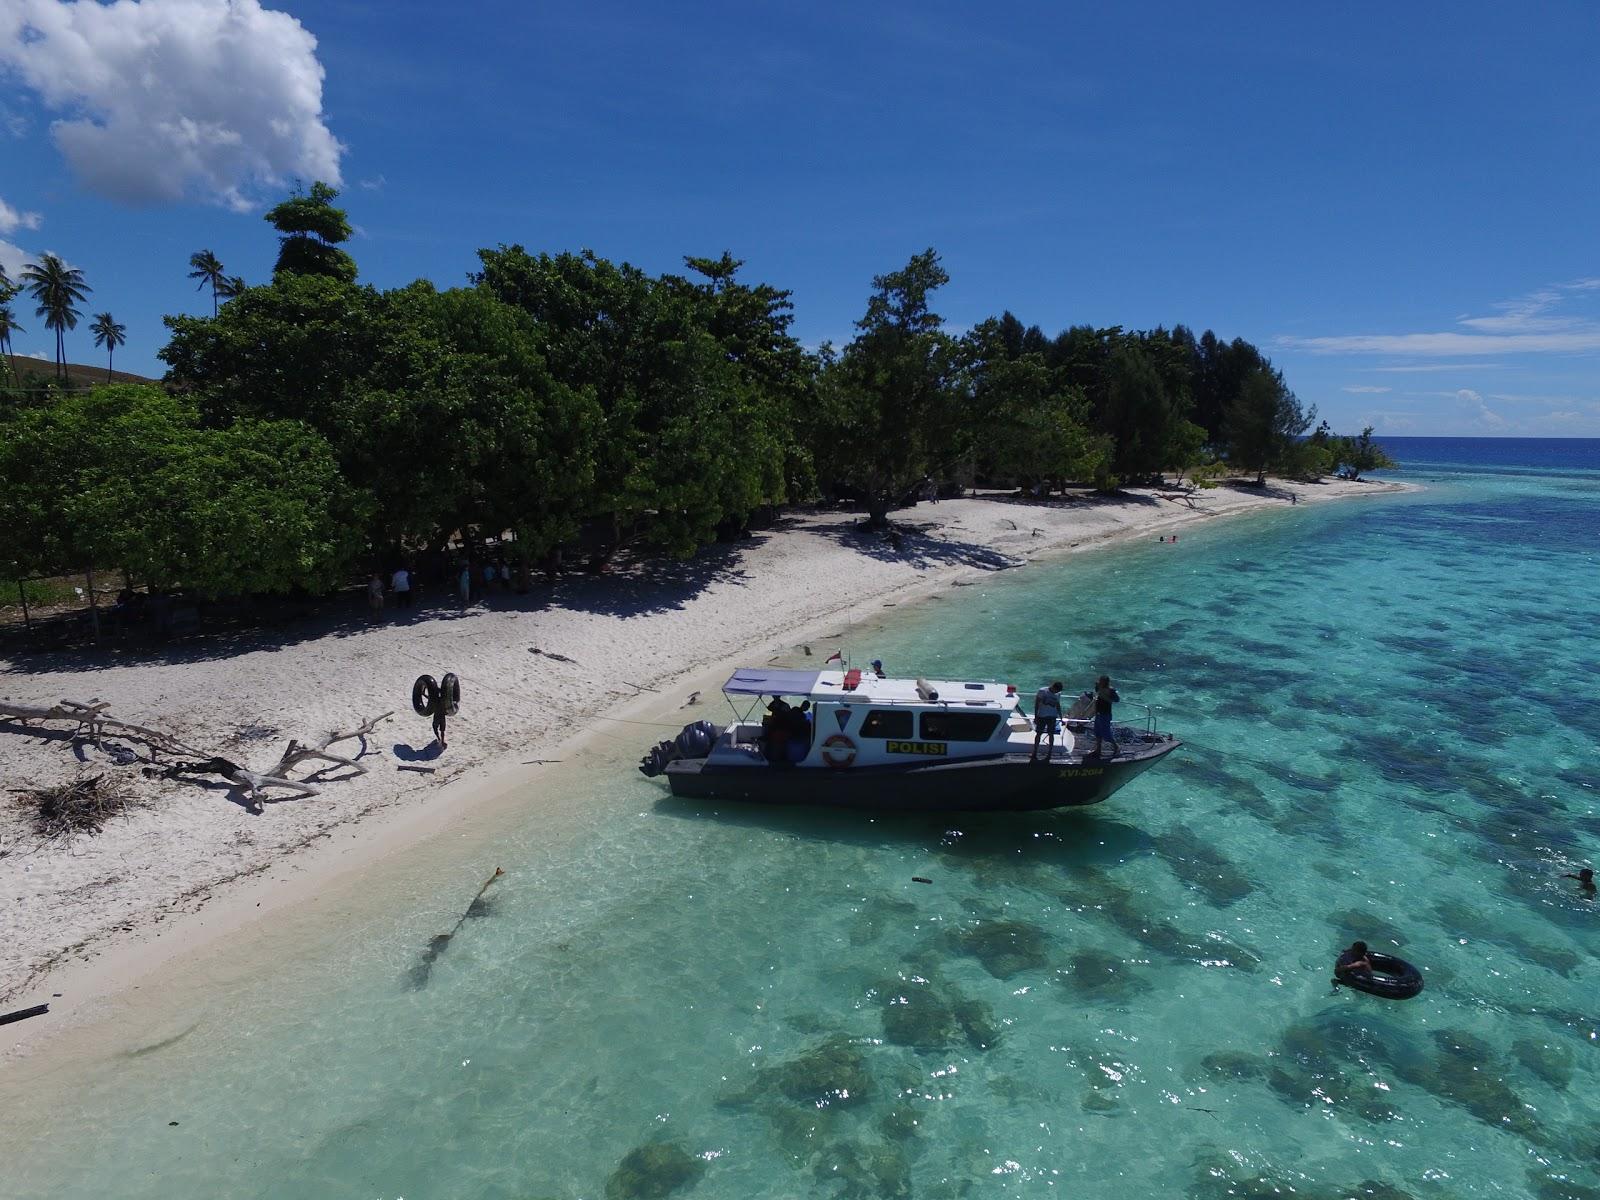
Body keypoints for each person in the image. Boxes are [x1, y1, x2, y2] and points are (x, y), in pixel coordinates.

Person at [1031, 681, 1064, 763]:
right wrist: (1036, 716)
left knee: (1051, 734)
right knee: (1038, 733)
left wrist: (1061, 717)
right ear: (1053, 687)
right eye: (1056, 690)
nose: (1056, 692)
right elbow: (1037, 704)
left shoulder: (1058, 694)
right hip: (1042, 716)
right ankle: (1034, 752)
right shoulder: (1042, 691)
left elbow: (1057, 705)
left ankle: (1049, 753)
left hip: (1052, 717)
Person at [1091, 675, 1120, 759]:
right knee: (1097, 732)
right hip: (1098, 713)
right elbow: (1096, 692)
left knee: (1106, 734)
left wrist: (1106, 697)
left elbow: (1117, 700)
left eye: (1102, 681)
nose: (1100, 682)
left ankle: (1116, 747)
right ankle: (1098, 750)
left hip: (1105, 714)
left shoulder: (1111, 690)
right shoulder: (1098, 687)